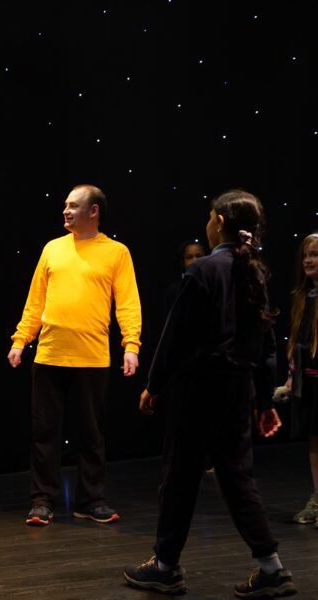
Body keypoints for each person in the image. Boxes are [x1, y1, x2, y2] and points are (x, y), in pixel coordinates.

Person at [123, 190, 296, 598]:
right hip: (237, 389)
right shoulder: (254, 270)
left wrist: (154, 384)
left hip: (198, 388)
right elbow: (265, 345)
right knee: (237, 477)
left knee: (179, 476)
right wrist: (263, 401)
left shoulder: (203, 270)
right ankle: (271, 568)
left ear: (218, 220)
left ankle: (165, 566)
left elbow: (175, 336)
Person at [8, 184, 142, 526]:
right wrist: (21, 340)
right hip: (51, 355)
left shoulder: (116, 252)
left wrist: (131, 345)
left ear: (93, 210)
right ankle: (42, 500)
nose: (65, 211)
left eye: (73, 206)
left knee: (91, 434)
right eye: (64, 205)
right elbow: (35, 300)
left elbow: (127, 303)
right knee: (44, 433)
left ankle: (90, 500)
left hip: (92, 358)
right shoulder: (52, 249)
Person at [286, 232, 318, 526]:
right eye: (307, 255)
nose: (309, 260)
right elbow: (299, 343)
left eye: (316, 255)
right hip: (309, 381)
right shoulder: (303, 297)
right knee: (314, 439)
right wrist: (289, 378)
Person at [163, 240, 206, 316]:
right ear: (182, 262)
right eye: (189, 257)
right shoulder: (173, 290)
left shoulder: (214, 285)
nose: (194, 261)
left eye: (199, 256)